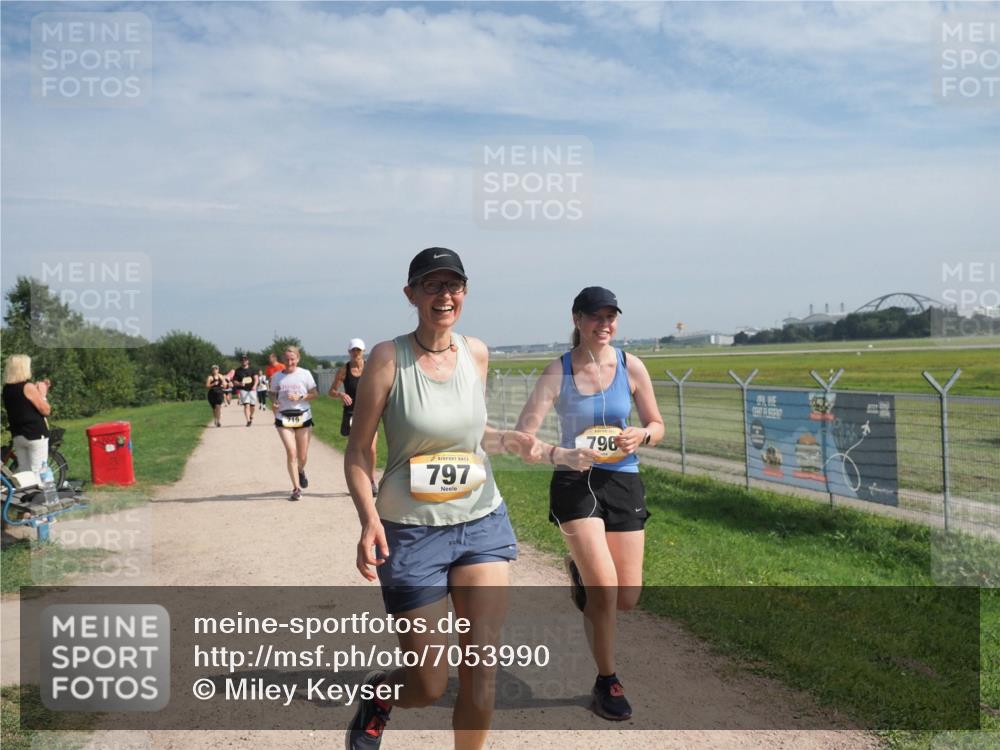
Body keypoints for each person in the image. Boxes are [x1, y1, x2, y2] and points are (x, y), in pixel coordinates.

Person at [344, 247, 535, 750]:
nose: (444, 295)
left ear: (464, 293)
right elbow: (359, 450)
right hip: (411, 531)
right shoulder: (388, 358)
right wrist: (368, 519)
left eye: (453, 285)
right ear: (411, 294)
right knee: (427, 685)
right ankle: (382, 695)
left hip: (480, 522)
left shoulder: (476, 353)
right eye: (432, 285)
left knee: (481, 669)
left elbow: (467, 433)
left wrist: (505, 439)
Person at [514, 286, 665, 722]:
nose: (604, 324)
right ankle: (607, 681)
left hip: (623, 481)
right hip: (574, 482)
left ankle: (581, 573)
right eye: (596, 316)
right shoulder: (557, 372)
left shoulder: (632, 366)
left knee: (627, 597)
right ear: (577, 319)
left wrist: (642, 435)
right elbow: (523, 439)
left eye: (610, 316)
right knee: (605, 589)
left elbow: (658, 425)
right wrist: (560, 454)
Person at [329, 338, 378, 496]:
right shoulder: (344, 370)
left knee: (371, 449)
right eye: (353, 350)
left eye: (359, 350)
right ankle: (357, 483)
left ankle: (371, 480)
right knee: (356, 450)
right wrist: (341, 394)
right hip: (351, 413)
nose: (356, 353)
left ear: (364, 351)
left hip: (369, 412)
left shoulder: (371, 367)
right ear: (349, 352)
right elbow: (331, 391)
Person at [269, 346, 318, 501]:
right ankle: (296, 488)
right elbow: (272, 393)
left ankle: (300, 470)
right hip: (283, 417)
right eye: (287, 359)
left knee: (302, 456)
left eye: (292, 359)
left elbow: (314, 394)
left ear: (298, 359)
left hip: (303, 416)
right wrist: (274, 402)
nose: (290, 362)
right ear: (283, 360)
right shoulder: (277, 376)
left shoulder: (305, 374)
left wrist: (301, 397)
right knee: (291, 452)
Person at [2, 354, 52, 479]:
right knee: (38, 472)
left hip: (18, 435)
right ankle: (38, 491)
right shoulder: (28, 387)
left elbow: (23, 405)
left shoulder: (6, 389)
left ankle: (28, 491)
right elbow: (46, 410)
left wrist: (36, 391)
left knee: (25, 473)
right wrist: (43, 394)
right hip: (35, 434)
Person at [233, 354, 258, 427]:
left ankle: (251, 415)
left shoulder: (252, 370)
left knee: (253, 406)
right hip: (243, 390)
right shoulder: (238, 371)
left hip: (252, 389)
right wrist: (239, 383)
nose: (244, 361)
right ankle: (248, 421)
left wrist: (254, 386)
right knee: (246, 405)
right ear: (240, 361)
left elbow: (256, 379)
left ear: (248, 361)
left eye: (245, 360)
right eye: (242, 360)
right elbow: (234, 381)